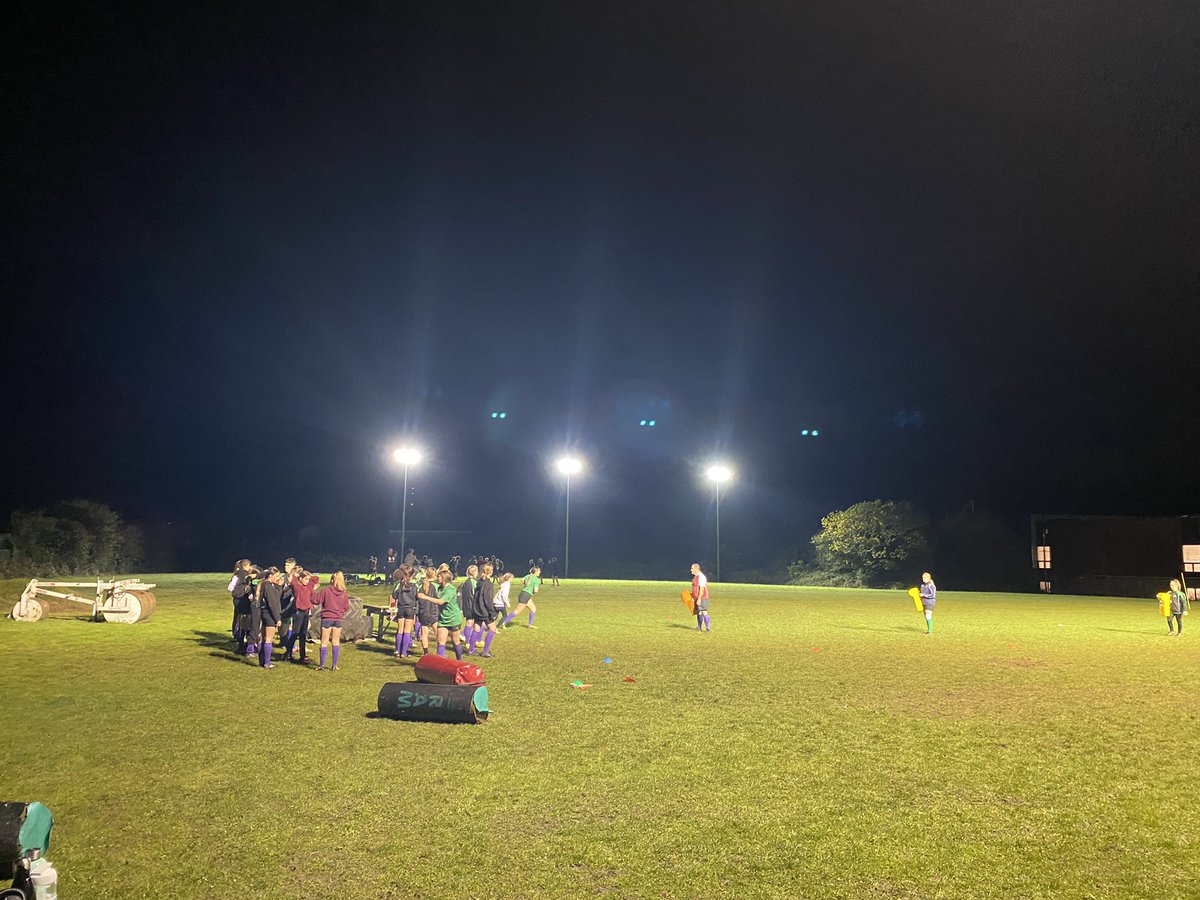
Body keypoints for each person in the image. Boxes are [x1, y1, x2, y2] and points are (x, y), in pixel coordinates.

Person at [418, 569, 465, 659]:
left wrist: (425, 597)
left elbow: (440, 601)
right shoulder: (440, 588)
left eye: (438, 576)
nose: (437, 578)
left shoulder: (450, 589)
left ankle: (459, 661)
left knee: (455, 641)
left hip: (453, 618)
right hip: (443, 619)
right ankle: (439, 663)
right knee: (441, 641)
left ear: (444, 578)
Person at [314, 570, 350, 671]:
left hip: (327, 618)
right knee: (335, 642)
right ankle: (334, 665)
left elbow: (316, 600)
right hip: (338, 619)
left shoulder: (326, 591)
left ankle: (321, 665)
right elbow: (346, 607)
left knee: (324, 642)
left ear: (332, 579)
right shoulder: (344, 593)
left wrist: (312, 591)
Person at [285, 568, 317, 663]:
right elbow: (293, 580)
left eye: (308, 579)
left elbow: (316, 579)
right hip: (298, 612)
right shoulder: (297, 587)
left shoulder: (309, 587)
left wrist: (309, 577)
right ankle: (288, 653)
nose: (307, 581)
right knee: (295, 634)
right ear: (301, 579)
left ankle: (302, 655)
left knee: (303, 634)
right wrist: (296, 575)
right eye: (305, 579)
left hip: (306, 612)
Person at [257, 567, 284, 668]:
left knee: (263, 638)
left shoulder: (265, 585)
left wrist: (278, 586)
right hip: (269, 615)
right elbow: (273, 603)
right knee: (268, 638)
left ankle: (262, 661)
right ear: (270, 576)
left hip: (264, 613)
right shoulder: (269, 587)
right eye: (276, 576)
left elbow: (277, 596)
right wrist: (277, 618)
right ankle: (267, 663)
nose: (278, 578)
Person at [391, 564, 419, 657]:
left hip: (401, 609)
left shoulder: (399, 584)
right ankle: (404, 652)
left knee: (400, 630)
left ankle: (397, 651)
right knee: (407, 631)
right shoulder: (415, 585)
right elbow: (417, 597)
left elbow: (394, 596)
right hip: (410, 609)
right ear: (411, 575)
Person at [472, 562, 498, 656]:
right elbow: (488, 600)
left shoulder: (479, 581)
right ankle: (485, 652)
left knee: (477, 628)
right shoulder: (488, 584)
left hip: (477, 609)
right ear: (491, 572)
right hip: (484, 611)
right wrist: (492, 612)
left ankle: (471, 651)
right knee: (493, 629)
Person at [227, 559, 253, 643]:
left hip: (236, 598)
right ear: (245, 566)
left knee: (237, 616)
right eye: (249, 565)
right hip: (243, 598)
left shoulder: (236, 574)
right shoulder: (247, 575)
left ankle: (236, 635)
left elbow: (230, 587)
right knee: (244, 618)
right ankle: (242, 637)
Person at [415, 566, 439, 654]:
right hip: (433, 612)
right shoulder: (436, 586)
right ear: (434, 575)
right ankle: (440, 651)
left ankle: (425, 653)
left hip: (423, 612)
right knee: (438, 632)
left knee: (424, 633)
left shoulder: (420, 586)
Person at [459, 564, 479, 652]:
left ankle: (467, 641)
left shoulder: (465, 582)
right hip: (472, 605)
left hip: (466, 605)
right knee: (473, 624)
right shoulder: (474, 582)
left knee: (468, 623)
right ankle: (471, 641)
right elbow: (475, 595)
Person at [691, 563, 710, 632]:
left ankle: (708, 628)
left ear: (696, 569)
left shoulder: (701, 577)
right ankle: (699, 627)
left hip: (703, 597)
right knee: (699, 612)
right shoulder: (695, 577)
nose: (691, 570)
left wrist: (699, 598)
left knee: (704, 611)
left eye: (692, 568)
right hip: (697, 597)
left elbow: (702, 588)